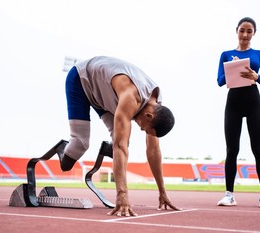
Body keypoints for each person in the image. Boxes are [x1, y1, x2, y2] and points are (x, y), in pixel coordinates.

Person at [60, 56, 180, 216]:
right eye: (145, 129)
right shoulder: (130, 98)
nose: (141, 130)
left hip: (105, 97)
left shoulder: (156, 105)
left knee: (121, 138)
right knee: (79, 146)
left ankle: (106, 150)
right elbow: (120, 147)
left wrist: (162, 192)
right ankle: (62, 149)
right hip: (82, 80)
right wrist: (122, 195)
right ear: (149, 116)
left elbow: (153, 150)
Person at [216, 17, 260, 208]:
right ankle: (229, 194)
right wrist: (234, 67)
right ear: (237, 31)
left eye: (249, 31)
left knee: (258, 148)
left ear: (254, 33)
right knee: (232, 150)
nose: (245, 34)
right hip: (233, 102)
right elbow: (219, 81)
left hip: (253, 101)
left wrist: (256, 76)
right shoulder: (226, 54)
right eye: (242, 30)